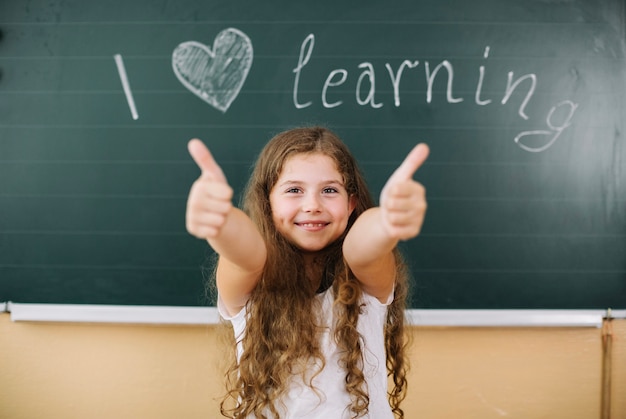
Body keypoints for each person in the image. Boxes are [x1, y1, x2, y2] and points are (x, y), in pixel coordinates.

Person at [185, 126, 429, 418]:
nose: (312, 205)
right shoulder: (252, 274)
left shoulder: (367, 277)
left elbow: (362, 248)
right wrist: (222, 225)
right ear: (268, 203)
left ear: (351, 204)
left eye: (329, 190)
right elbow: (245, 254)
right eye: (294, 190)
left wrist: (387, 222)